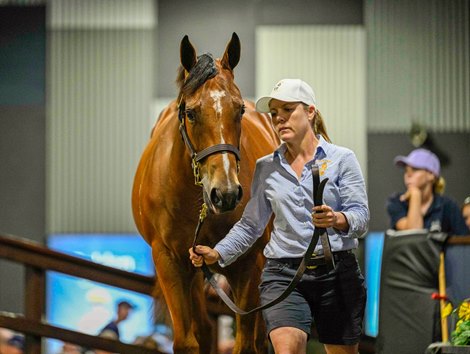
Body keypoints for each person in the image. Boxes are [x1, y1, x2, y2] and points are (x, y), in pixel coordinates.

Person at [189, 78, 369, 354]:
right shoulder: (266, 167)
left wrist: (338, 219)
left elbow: (361, 217)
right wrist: (218, 253)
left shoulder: (342, 159)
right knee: (287, 349)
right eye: (274, 114)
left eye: (288, 110)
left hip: (337, 272)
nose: (279, 119)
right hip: (283, 274)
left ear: (310, 112)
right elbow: (251, 225)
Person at [387, 148, 469, 235]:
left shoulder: (448, 206)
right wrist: (415, 195)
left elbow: (463, 242)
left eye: (415, 169)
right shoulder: (398, 201)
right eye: (406, 170)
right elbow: (413, 235)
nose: (408, 174)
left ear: (431, 175)